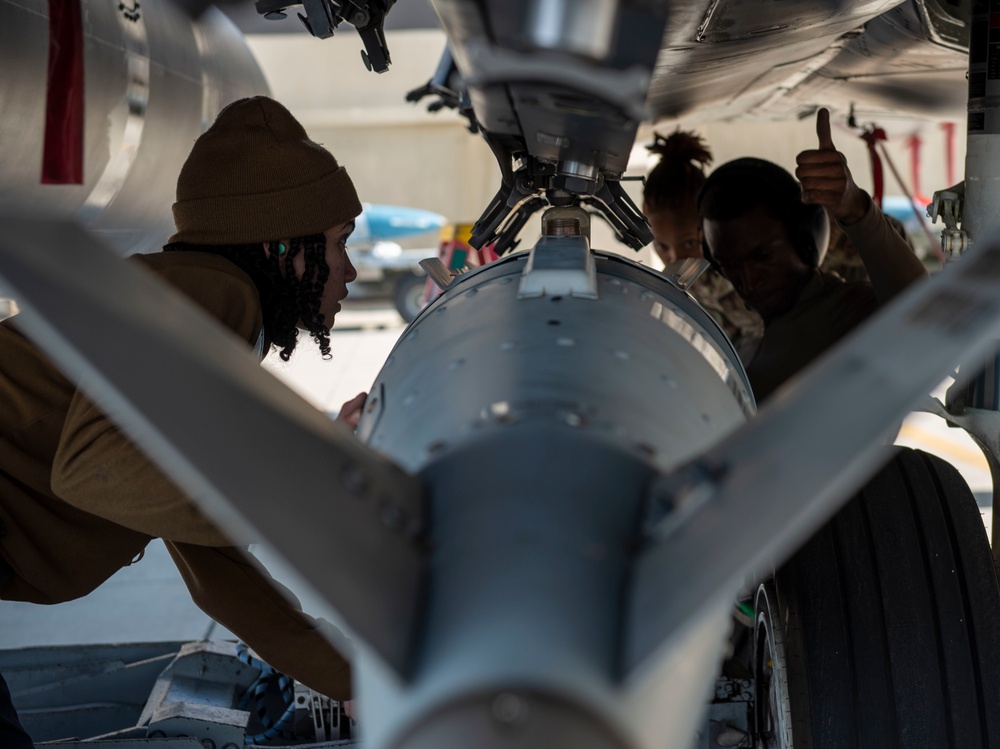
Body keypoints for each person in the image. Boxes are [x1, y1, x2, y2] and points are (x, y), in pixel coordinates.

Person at [0, 97, 368, 737]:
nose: (350, 271)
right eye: (338, 244)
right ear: (283, 247)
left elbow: (214, 567)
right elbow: (93, 469)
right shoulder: (208, 294)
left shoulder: (183, 305)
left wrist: (351, 680)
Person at [699, 108, 928, 403]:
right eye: (728, 265)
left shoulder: (844, 314)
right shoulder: (751, 332)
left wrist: (858, 212)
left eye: (763, 256)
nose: (748, 281)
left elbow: (920, 317)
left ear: (804, 239)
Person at [642, 130, 764, 359]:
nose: (674, 259)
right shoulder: (690, 275)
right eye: (661, 246)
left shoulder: (744, 267)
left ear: (709, 226)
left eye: (689, 242)